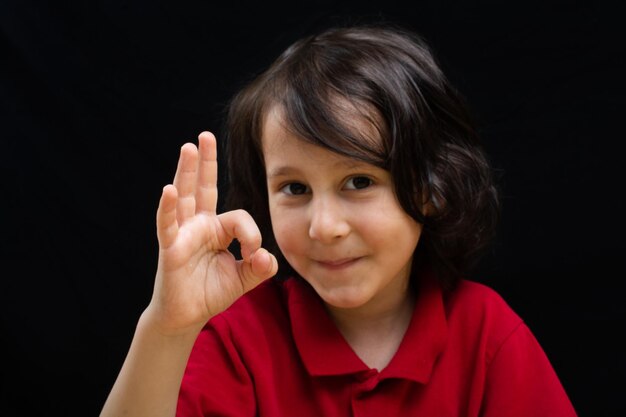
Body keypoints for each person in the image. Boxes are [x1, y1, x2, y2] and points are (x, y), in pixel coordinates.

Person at [100, 24, 577, 417]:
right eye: (295, 189)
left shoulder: (487, 335)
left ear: (431, 188)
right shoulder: (238, 339)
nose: (324, 227)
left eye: (359, 182)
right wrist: (167, 330)